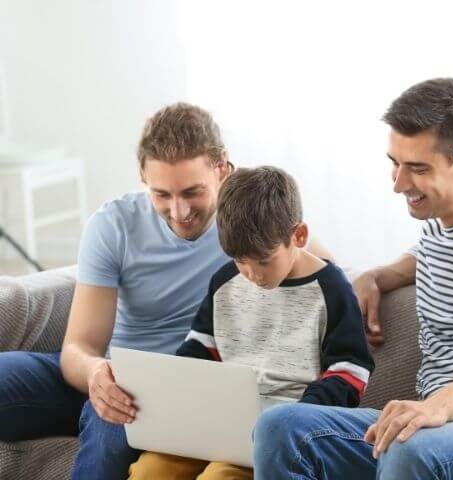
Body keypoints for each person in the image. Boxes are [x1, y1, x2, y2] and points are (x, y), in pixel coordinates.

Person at [251, 78, 453, 480]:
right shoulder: (438, 232)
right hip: (435, 431)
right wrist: (376, 276)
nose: (398, 184)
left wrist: (438, 405)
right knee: (282, 428)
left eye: (417, 168)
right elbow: (423, 257)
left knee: (411, 448)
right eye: (395, 162)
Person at [0, 103, 332, 480]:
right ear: (143, 176)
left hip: (174, 396)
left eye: (193, 192)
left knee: (113, 422)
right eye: (162, 195)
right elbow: (79, 347)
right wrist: (96, 373)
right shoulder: (113, 225)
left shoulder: (251, 218)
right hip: (112, 373)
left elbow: (324, 271)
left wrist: (376, 281)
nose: (179, 211)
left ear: (222, 168)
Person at [127, 166, 374, 480]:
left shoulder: (332, 288)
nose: (253, 274)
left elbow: (350, 371)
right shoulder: (224, 282)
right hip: (219, 419)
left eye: (263, 261)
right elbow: (201, 348)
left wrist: (303, 413)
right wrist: (181, 389)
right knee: (150, 470)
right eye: (240, 261)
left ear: (298, 236)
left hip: (285, 429)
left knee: (220, 476)